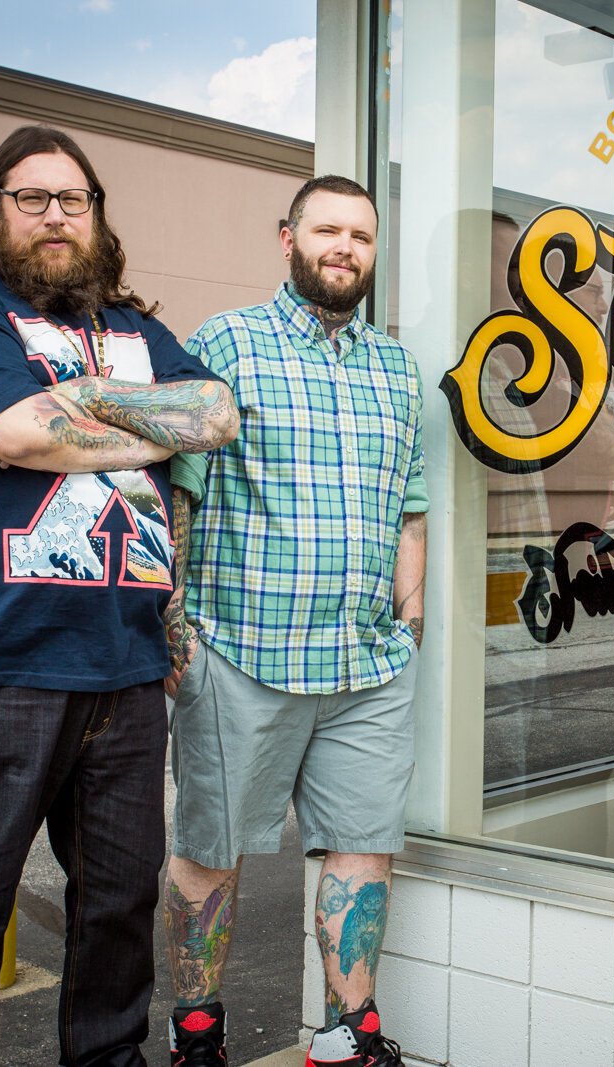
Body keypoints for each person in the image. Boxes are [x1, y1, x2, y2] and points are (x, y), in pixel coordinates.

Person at [0, 125, 238, 1067]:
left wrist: (79, 406)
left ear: (95, 215)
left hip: (126, 668)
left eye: (72, 199)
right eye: (33, 197)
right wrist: (136, 421)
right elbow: (17, 432)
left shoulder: (137, 329)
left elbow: (213, 412)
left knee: (119, 906)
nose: (55, 215)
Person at [161, 175, 425, 1067]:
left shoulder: (395, 365)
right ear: (288, 239)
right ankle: (198, 1030)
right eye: (327, 230)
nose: (345, 246)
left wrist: (411, 609)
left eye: (361, 234)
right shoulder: (225, 343)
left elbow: (410, 505)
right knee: (210, 852)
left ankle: (349, 1035)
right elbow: (180, 495)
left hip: (367, 667)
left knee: (363, 849)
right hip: (241, 654)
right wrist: (175, 625)